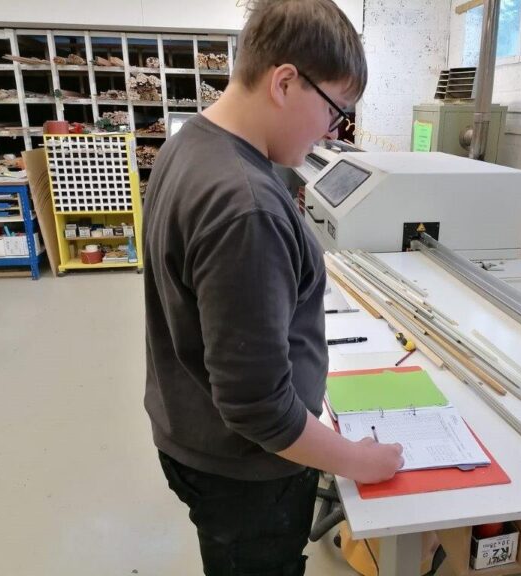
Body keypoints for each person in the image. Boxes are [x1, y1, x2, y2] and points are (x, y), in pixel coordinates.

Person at [142, 1, 404, 574]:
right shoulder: (246, 204)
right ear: (285, 82)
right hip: (247, 472)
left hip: (194, 432)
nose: (332, 132)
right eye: (336, 111)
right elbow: (262, 412)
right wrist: (360, 462)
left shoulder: (190, 145)